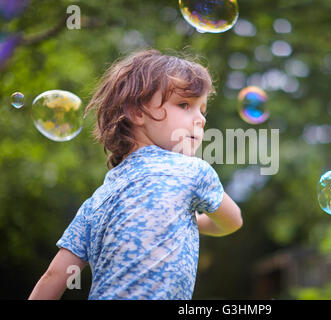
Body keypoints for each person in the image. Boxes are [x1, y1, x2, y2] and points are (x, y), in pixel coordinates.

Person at [28, 49, 243, 300]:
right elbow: (233, 220)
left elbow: (53, 277)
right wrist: (193, 219)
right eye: (184, 104)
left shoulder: (97, 201)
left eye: (202, 110)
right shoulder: (192, 171)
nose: (200, 120)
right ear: (137, 112)